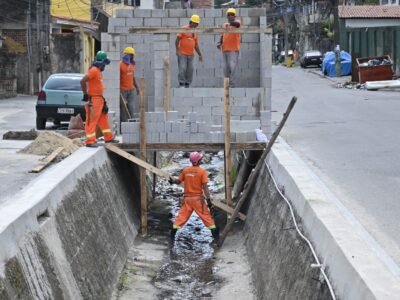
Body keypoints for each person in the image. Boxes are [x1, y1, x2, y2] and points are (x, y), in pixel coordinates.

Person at [169, 152, 219, 244]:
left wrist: (172, 181)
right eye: (200, 159)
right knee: (208, 219)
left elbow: (178, 181)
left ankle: (171, 239)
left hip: (187, 199)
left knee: (180, 219)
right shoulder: (202, 172)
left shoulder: (186, 170)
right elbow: (205, 187)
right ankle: (217, 241)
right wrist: (209, 201)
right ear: (198, 161)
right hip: (198, 200)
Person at [80, 50, 116, 147]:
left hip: (99, 99)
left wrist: (102, 101)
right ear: (102, 63)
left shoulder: (98, 71)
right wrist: (85, 94)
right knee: (91, 120)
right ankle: (90, 141)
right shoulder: (94, 70)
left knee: (103, 119)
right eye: (105, 63)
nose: (105, 66)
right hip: (93, 100)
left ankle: (108, 138)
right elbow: (83, 81)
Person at [176, 15, 203, 88]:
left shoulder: (195, 32)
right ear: (191, 22)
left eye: (197, 24)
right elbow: (177, 39)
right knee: (182, 68)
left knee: (190, 69)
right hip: (182, 54)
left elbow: (195, 44)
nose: (196, 25)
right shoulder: (184, 29)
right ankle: (182, 83)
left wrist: (200, 54)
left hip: (191, 55)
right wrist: (177, 50)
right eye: (194, 23)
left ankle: (187, 84)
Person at [217, 8, 241, 87]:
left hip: (233, 50)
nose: (230, 16)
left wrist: (229, 24)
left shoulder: (237, 23)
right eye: (229, 15)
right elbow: (223, 35)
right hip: (224, 50)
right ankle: (227, 86)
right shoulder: (225, 25)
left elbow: (237, 25)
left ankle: (232, 85)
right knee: (225, 69)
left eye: (232, 15)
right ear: (227, 16)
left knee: (232, 67)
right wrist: (219, 43)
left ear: (234, 16)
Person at [120, 47, 140, 118]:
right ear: (129, 55)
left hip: (131, 90)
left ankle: (131, 123)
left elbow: (132, 77)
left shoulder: (132, 65)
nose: (133, 57)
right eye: (132, 55)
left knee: (131, 107)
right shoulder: (120, 65)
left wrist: (137, 88)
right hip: (123, 90)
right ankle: (123, 125)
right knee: (123, 109)